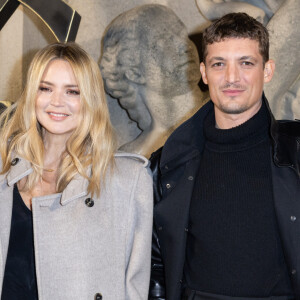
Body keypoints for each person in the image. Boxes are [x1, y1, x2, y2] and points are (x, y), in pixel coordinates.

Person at [149, 12, 300, 300]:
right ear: (204, 73)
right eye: (219, 64)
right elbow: (156, 262)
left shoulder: (295, 153)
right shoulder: (169, 163)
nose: (232, 78)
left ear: (267, 71)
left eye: (246, 63)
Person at [0, 42, 153, 300]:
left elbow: (135, 285)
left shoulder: (128, 180)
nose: (57, 102)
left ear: (90, 99)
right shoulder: (5, 168)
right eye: (45, 88)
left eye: (72, 91)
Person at [100, 4, 208, 158]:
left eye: (183, 34)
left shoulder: (228, 113)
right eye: (164, 39)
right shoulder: (134, 159)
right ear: (134, 71)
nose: (183, 45)